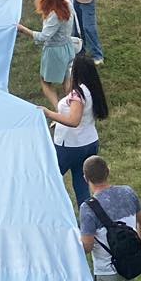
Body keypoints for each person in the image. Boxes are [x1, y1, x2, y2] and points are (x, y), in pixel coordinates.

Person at [78, 154, 141, 281]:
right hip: (131, 262)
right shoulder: (128, 193)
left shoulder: (88, 208)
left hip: (108, 271)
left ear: (86, 178)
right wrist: (140, 242)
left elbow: (87, 245)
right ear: (108, 172)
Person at [42, 52, 107, 210]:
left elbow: (73, 121)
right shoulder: (92, 89)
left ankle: (50, 211)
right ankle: (89, 217)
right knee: (81, 184)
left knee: (50, 178)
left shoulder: (77, 94)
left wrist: (49, 113)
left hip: (70, 145)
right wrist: (59, 118)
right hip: (89, 141)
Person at [16, 0, 78, 100]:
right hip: (67, 47)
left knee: (45, 82)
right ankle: (70, 106)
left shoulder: (54, 16)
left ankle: (60, 111)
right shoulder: (67, 4)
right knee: (67, 78)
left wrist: (23, 30)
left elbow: (43, 37)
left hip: (55, 52)